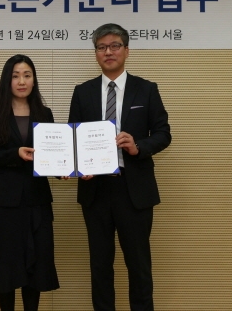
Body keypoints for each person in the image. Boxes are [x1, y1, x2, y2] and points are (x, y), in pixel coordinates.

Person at [68, 23, 171, 311]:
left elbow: (163, 134)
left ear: (127, 50)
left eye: (115, 46)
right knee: (100, 266)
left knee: (138, 266)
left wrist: (138, 146)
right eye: (101, 47)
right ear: (96, 53)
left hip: (134, 189)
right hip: (95, 188)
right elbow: (73, 138)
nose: (108, 52)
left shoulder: (146, 89)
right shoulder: (83, 92)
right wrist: (76, 166)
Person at [0, 54, 60, 311]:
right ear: (7, 80)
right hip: (4, 203)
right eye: (15, 76)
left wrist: (63, 170)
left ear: (34, 80)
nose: (21, 81)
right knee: (5, 266)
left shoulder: (44, 114)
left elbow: (53, 155)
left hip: (37, 201)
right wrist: (15, 154)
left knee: (35, 265)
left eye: (27, 75)